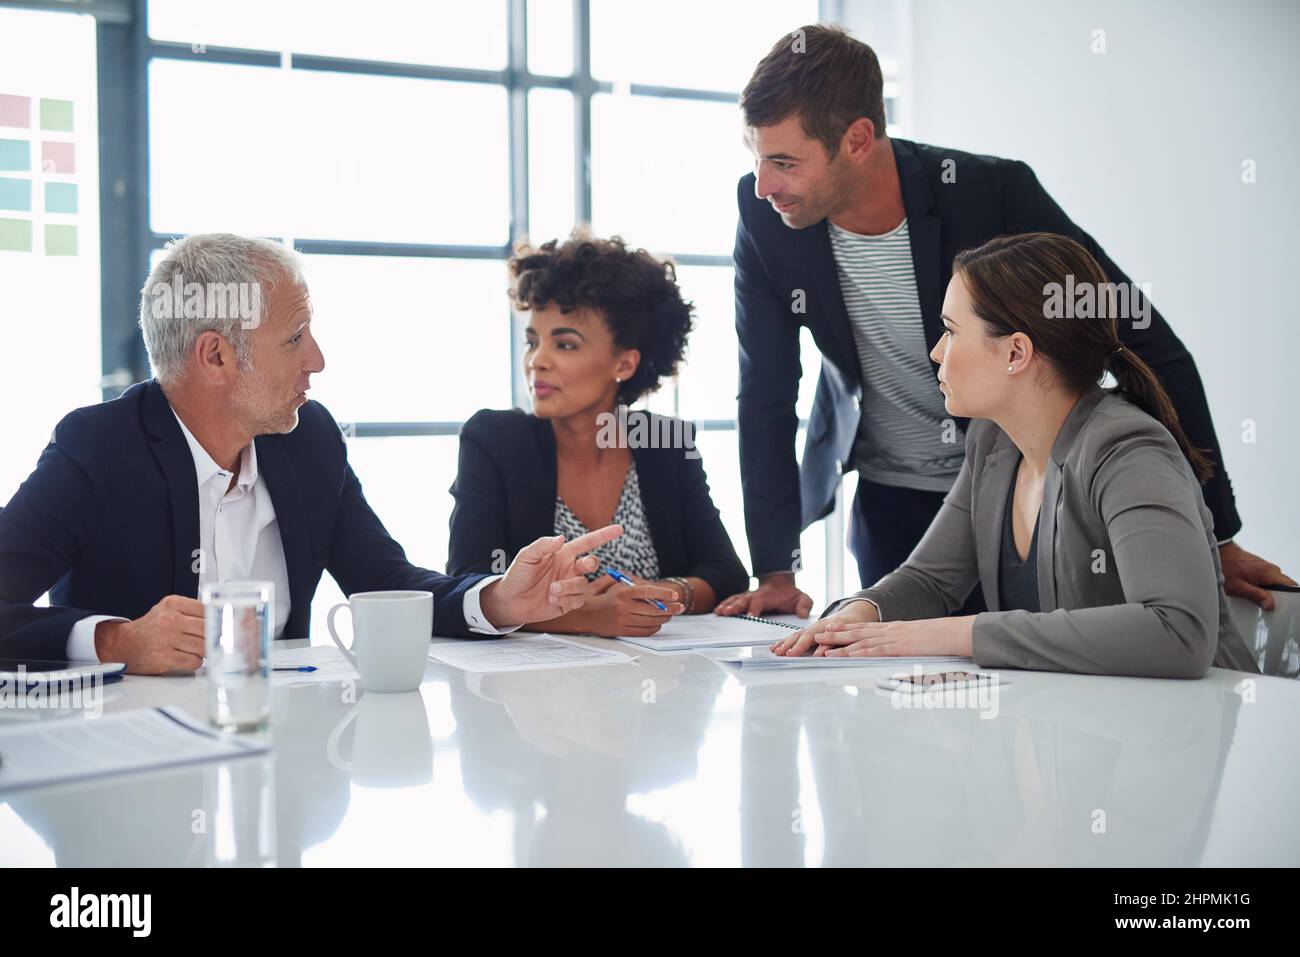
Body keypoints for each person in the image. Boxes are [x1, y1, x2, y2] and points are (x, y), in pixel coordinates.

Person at [719, 24, 1290, 620]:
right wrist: (776, 569)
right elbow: (765, 390)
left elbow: (1144, 339)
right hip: (891, 501)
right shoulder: (761, 214)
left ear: (858, 139)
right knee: (898, 694)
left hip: (1021, 493)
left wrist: (1217, 535)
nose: (764, 186)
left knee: (1044, 678)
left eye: (784, 162)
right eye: (758, 160)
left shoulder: (989, 193)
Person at [0, 233, 621, 673]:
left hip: (285, 749)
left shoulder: (308, 439)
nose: (317, 359)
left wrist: (498, 600)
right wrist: (118, 640)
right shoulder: (99, 447)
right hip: (134, 770)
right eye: (295, 337)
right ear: (215, 356)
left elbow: (385, 582)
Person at [771, 232, 1265, 678]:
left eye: (951, 330)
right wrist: (860, 612)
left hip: (1189, 741)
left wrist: (955, 634)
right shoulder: (992, 442)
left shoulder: (1127, 451)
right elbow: (930, 579)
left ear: (1016, 353)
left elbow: (1177, 633)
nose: (937, 352)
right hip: (1080, 737)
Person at [448, 234, 749, 638]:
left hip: (661, 685)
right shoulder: (495, 440)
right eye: (533, 341)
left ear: (624, 363)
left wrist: (663, 592)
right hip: (531, 691)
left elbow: (724, 573)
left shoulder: (664, 440)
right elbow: (470, 584)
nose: (538, 361)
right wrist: (586, 617)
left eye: (565, 344)